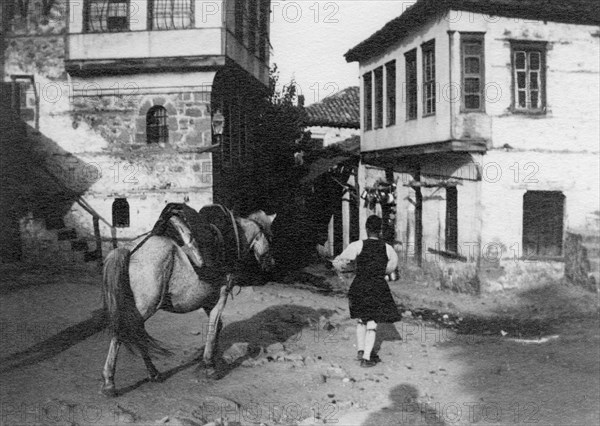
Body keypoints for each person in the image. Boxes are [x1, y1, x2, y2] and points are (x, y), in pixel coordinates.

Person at [332, 215, 401, 367]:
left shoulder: (357, 245)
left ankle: (361, 351)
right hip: (377, 286)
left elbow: (338, 262)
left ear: (366, 229)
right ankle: (367, 358)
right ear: (380, 230)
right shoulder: (388, 249)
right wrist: (379, 271)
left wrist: (348, 269)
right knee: (372, 322)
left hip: (359, 285)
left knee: (361, 319)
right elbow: (391, 267)